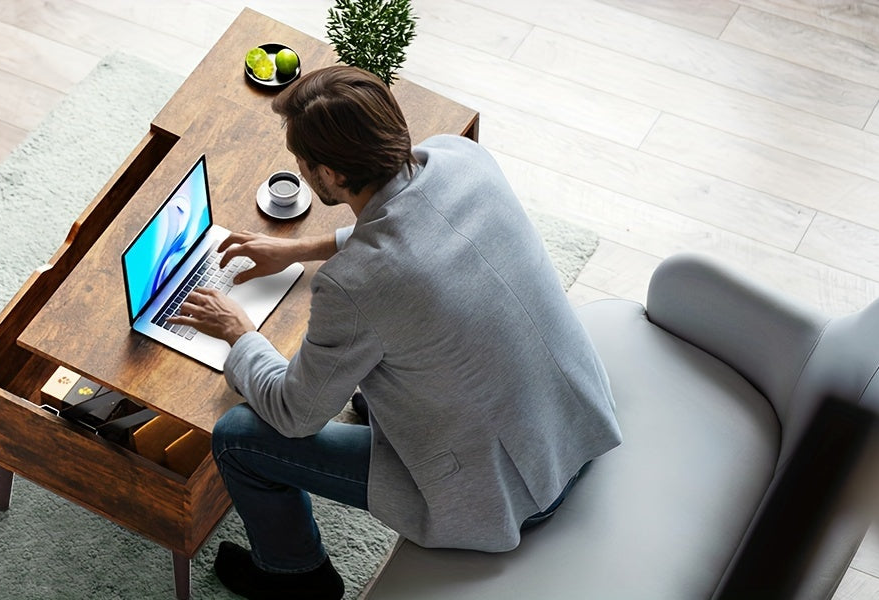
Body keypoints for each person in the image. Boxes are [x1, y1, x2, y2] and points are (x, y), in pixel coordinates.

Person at [166, 66, 623, 600]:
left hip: (512, 492)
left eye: (302, 163)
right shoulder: (460, 157)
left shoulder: (356, 284)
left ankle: (295, 578)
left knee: (238, 436)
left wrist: (238, 332)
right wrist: (300, 249)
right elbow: (412, 222)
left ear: (329, 174)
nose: (302, 171)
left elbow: (295, 414)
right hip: (575, 424)